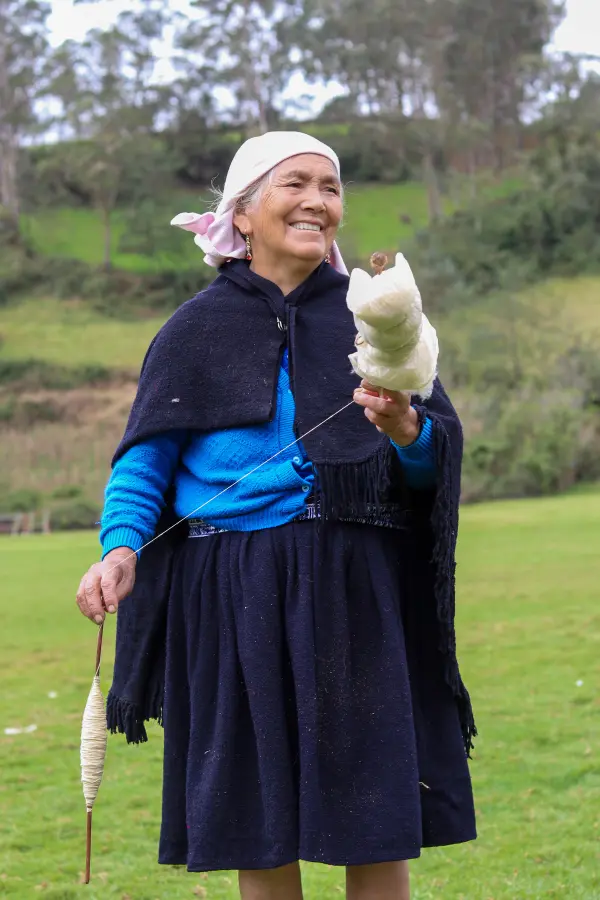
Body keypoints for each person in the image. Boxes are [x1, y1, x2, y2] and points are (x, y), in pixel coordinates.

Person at [76, 131, 476, 900]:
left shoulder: (378, 324)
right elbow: (144, 461)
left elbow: (434, 462)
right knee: (252, 815)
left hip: (356, 583)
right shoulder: (193, 329)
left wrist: (407, 434)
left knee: (372, 812)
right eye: (296, 183)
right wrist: (121, 547)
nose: (318, 201)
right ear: (245, 212)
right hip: (233, 589)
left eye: (330, 188)